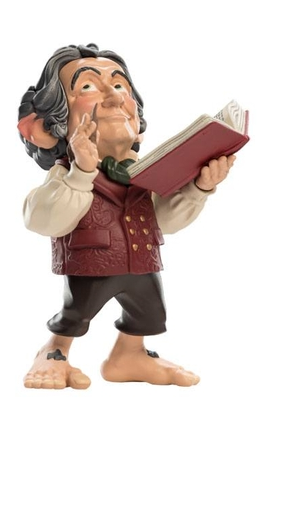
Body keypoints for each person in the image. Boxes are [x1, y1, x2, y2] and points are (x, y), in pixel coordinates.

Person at [17, 43, 236, 389]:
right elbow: (44, 219)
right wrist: (81, 172)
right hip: (91, 263)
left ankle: (129, 354)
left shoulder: (143, 172)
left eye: (120, 85)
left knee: (149, 311)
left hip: (142, 261)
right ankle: (55, 351)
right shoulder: (66, 175)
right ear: (52, 125)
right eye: (87, 86)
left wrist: (198, 189)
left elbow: (164, 220)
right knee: (77, 312)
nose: (115, 97)